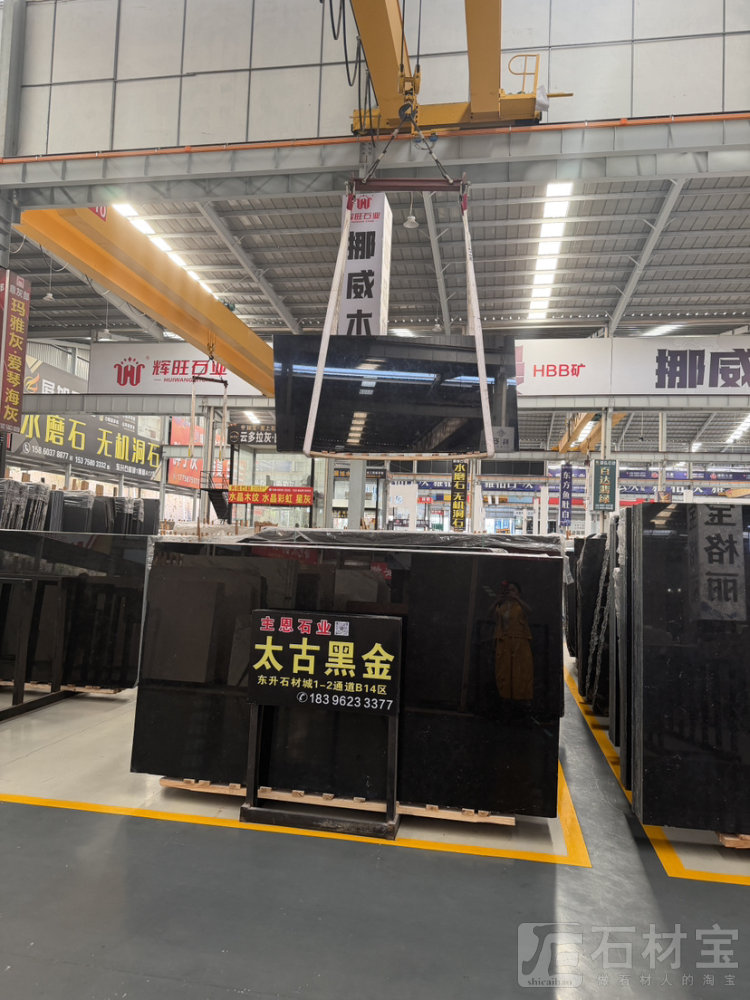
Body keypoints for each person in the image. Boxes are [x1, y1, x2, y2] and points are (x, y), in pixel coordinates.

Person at [492, 581, 534, 701]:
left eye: (513, 590)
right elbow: (489, 615)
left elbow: (530, 612)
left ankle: (521, 701)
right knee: (503, 671)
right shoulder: (502, 607)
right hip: (504, 643)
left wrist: (517, 599)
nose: (510, 593)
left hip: (519, 643)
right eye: (508, 590)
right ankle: (505, 700)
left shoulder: (520, 606)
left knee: (521, 671)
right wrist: (497, 601)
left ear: (518, 593)